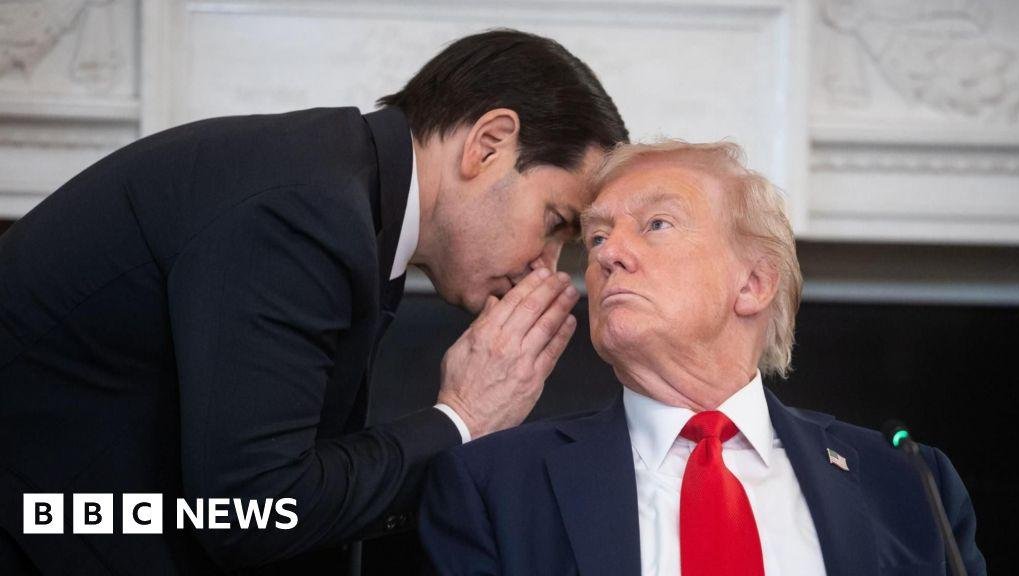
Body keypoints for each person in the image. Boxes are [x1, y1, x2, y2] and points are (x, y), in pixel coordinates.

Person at [0, 29, 628, 574]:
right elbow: (251, 513)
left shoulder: (345, 190)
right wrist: (461, 419)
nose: (546, 267)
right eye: (555, 223)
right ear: (488, 144)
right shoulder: (306, 212)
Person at [418, 140, 986, 576]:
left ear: (753, 284)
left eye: (656, 224)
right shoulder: (495, 485)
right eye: (596, 239)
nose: (609, 254)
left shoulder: (909, 483)